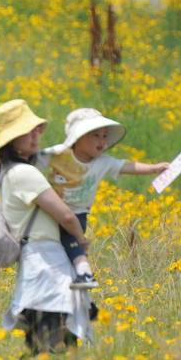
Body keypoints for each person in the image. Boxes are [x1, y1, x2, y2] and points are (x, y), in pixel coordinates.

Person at [0, 99, 93, 355]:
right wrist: (81, 240)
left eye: (36, 129)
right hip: (46, 264)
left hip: (37, 263)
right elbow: (67, 217)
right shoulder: (24, 173)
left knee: (42, 344)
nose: (36, 135)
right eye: (28, 130)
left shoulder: (7, 171)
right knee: (53, 340)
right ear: (11, 140)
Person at [38, 108, 169, 290]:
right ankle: (60, 279)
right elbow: (31, 160)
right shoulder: (59, 154)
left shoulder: (103, 162)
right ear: (78, 137)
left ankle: (84, 274)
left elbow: (127, 166)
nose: (102, 141)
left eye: (105, 136)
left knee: (72, 244)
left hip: (78, 215)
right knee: (50, 247)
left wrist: (153, 168)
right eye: (95, 135)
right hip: (52, 211)